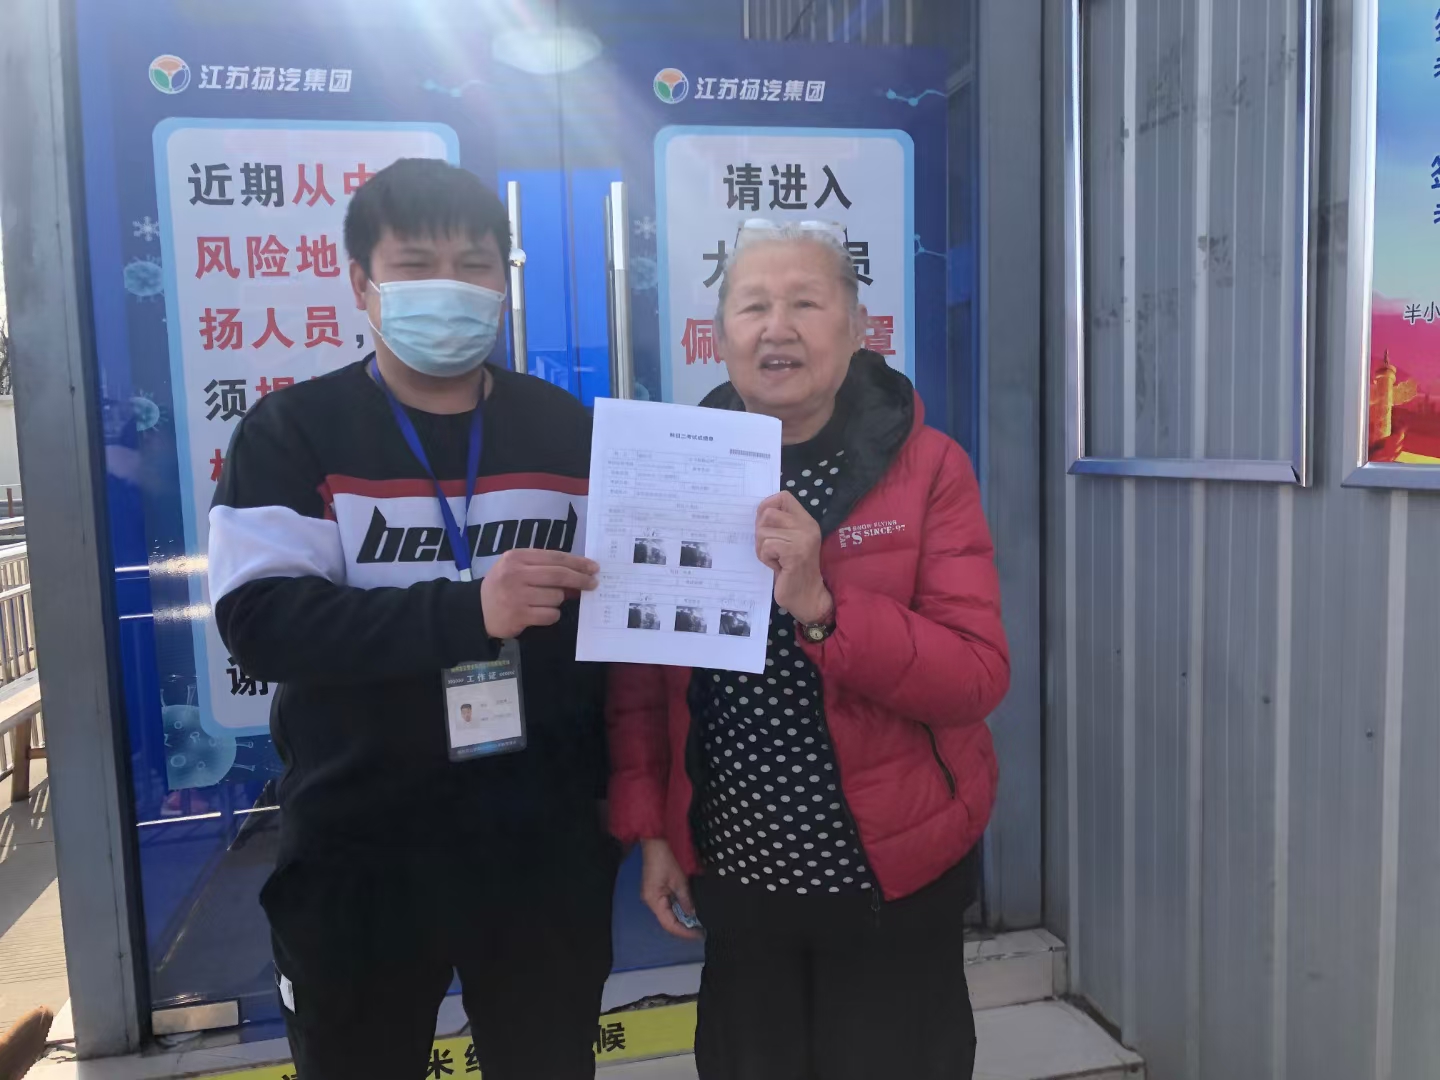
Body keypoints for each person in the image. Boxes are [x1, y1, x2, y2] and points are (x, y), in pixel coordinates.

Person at [211, 159, 617, 1080]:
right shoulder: (292, 432)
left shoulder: (569, 431)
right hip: (361, 850)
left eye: (475, 265)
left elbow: (622, 613)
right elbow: (263, 621)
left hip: (540, 846)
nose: (451, 287)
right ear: (362, 282)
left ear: (503, 283)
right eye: (417, 264)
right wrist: (468, 611)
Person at [607, 221, 1010, 1080]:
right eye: (752, 305)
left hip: (890, 880)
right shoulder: (674, 467)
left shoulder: (928, 467)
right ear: (718, 335)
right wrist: (654, 831)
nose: (776, 328)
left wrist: (825, 610)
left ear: (858, 327)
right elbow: (642, 680)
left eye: (805, 303)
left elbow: (976, 675)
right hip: (739, 878)